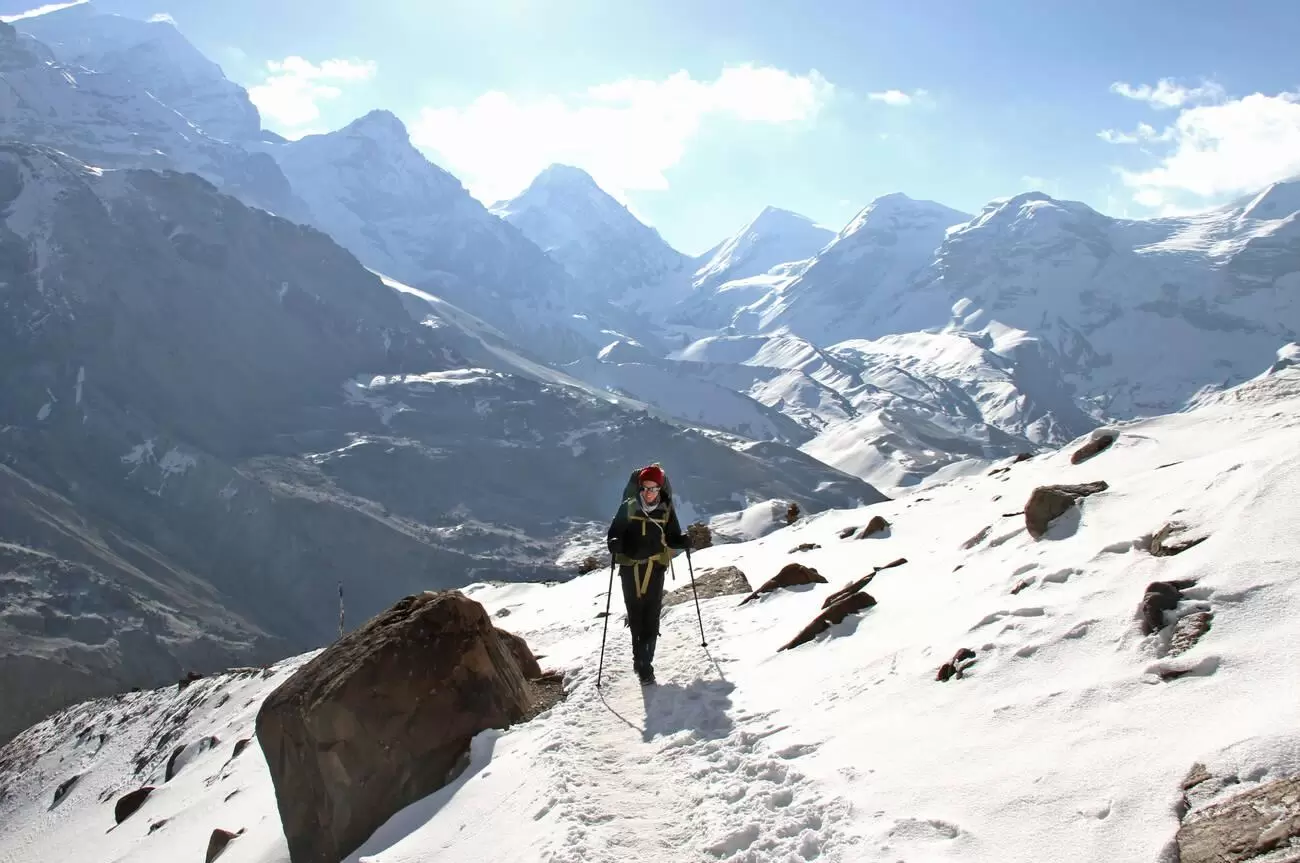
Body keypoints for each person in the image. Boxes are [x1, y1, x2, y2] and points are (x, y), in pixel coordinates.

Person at [606, 464, 690, 684]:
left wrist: (682, 541)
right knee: (635, 615)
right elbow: (615, 532)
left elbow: (672, 537)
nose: (649, 492)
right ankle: (639, 658)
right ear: (640, 488)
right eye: (645, 488)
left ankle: (645, 664)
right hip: (630, 570)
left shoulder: (666, 509)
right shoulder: (629, 507)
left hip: (655, 568)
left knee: (651, 616)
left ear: (660, 488)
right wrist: (615, 543)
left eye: (653, 488)